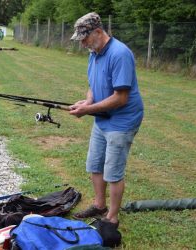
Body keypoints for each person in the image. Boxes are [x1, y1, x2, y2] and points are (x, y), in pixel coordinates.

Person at [69, 12, 144, 228]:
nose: (82, 44)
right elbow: (94, 84)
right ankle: (100, 205)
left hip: (122, 120)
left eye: (84, 38)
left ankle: (111, 218)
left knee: (113, 171)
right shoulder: (94, 53)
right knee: (95, 164)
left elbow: (121, 97)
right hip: (102, 118)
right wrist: (87, 102)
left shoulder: (120, 54)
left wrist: (88, 109)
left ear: (98, 32)